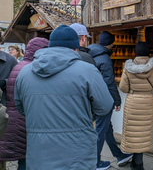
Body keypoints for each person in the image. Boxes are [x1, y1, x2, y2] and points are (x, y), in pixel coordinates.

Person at [14, 25, 114, 170]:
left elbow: (21, 108)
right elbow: (105, 106)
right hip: (77, 154)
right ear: (75, 48)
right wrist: (85, 113)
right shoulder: (87, 71)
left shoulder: (24, 73)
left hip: (38, 153)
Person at [119, 42, 153, 170]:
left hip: (133, 101)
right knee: (143, 133)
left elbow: (123, 88)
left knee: (134, 133)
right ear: (148, 52)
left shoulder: (128, 67)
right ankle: (137, 163)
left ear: (135, 52)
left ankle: (137, 163)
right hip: (148, 102)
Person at [0, 37, 49, 170]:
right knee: (26, 158)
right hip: (23, 118)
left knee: (21, 156)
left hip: (11, 115)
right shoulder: (32, 68)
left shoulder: (18, 65)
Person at [88, 31, 133, 169]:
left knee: (107, 128)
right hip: (103, 99)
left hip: (93, 97)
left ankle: (119, 155)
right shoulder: (105, 59)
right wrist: (117, 100)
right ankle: (95, 162)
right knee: (101, 130)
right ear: (111, 44)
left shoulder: (91, 54)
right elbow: (109, 83)